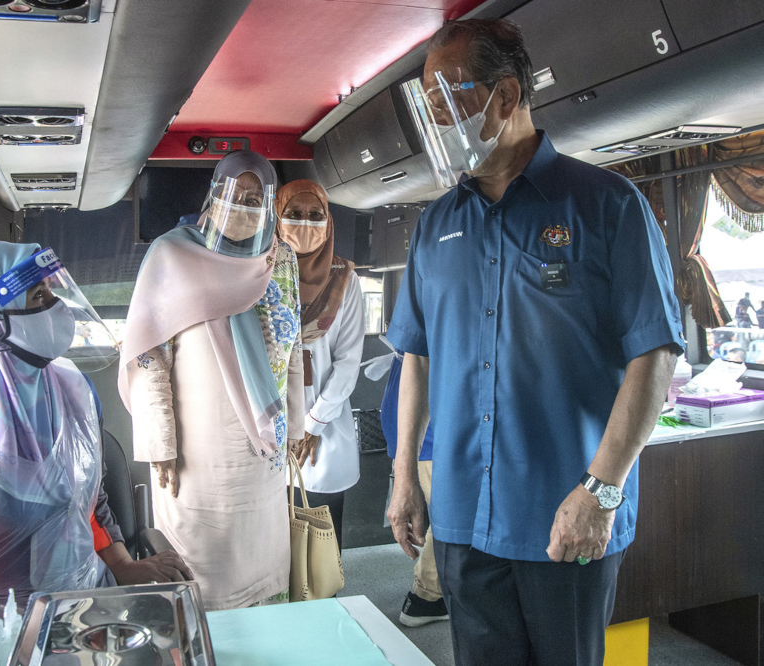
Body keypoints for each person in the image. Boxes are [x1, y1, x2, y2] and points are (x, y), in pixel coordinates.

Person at [387, 19, 683, 665]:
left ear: (505, 95)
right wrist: (403, 472)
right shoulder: (436, 222)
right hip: (465, 514)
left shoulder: (607, 205)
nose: (437, 120)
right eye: (428, 107)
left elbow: (654, 355)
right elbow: (417, 355)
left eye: (449, 100)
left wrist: (600, 491)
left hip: (566, 510)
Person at [0, 241, 191, 610]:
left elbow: (90, 496)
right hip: (2, 633)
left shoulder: (75, 392)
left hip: (89, 606)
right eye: (38, 296)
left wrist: (120, 565)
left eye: (51, 290)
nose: (55, 306)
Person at [119, 150, 304, 610]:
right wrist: (159, 445)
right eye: (233, 195)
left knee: (262, 576)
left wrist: (296, 428)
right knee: (203, 579)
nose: (242, 206)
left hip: (263, 455)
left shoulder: (280, 262)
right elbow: (149, 359)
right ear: (214, 195)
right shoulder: (172, 256)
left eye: (254, 197)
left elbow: (294, 350)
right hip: (197, 460)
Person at [276, 180, 364, 551]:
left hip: (322, 432)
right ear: (276, 219)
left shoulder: (345, 279)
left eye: (316, 215)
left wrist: (311, 425)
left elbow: (348, 361)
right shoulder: (260, 273)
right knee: (273, 549)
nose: (305, 223)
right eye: (293, 214)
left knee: (319, 551)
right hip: (270, 428)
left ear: (329, 222)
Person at [379, 353, 448, 626]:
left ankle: (430, 592)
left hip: (411, 429)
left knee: (439, 518)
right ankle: (427, 598)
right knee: (446, 521)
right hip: (426, 433)